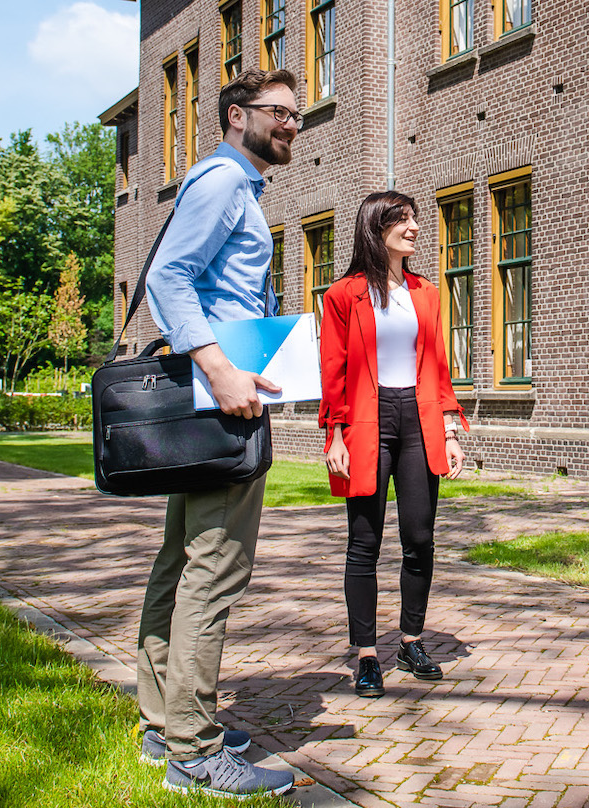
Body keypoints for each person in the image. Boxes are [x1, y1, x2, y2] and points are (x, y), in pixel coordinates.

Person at [136, 67, 303, 800]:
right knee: (214, 567)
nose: (292, 123)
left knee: (180, 560)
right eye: (280, 112)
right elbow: (171, 278)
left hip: (217, 397)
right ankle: (195, 753)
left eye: (296, 114)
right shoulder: (223, 183)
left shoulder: (238, 185)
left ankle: (164, 725)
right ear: (238, 116)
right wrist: (218, 364)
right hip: (221, 401)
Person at [319, 191, 469, 699]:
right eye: (402, 220)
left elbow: (438, 365)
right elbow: (333, 370)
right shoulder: (344, 295)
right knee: (365, 542)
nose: (414, 228)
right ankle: (365, 654)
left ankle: (411, 640)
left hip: (419, 418)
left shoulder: (426, 292)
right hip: (365, 418)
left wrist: (449, 429)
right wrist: (334, 433)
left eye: (415, 219)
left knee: (420, 536)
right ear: (375, 227)